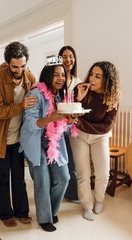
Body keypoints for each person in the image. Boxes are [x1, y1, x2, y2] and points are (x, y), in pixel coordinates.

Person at [19, 57, 79, 232]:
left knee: (64, 177)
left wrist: (69, 121)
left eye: (62, 75)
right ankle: (44, 218)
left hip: (53, 143)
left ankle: (50, 210)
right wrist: (50, 118)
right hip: (34, 142)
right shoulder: (35, 94)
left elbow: (63, 130)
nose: (60, 78)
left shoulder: (60, 96)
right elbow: (30, 124)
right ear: (47, 75)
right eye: (56, 75)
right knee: (42, 180)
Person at [0, 41, 37, 227]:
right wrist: (21, 105)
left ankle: (22, 211)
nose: (19, 70)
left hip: (19, 138)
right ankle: (6, 214)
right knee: (1, 178)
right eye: (15, 66)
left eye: (23, 66)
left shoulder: (30, 77)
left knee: (19, 177)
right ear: (7, 63)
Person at [70, 61, 121, 221]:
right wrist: (78, 99)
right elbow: (70, 115)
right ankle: (87, 205)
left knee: (103, 174)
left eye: (97, 76)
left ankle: (99, 200)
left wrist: (80, 122)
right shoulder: (80, 90)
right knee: (84, 174)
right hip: (79, 136)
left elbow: (105, 127)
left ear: (107, 80)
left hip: (100, 136)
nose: (91, 78)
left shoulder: (112, 98)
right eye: (91, 74)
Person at [58, 46, 82, 203]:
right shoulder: (57, 79)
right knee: (60, 159)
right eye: (64, 57)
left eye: (71, 56)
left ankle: (72, 193)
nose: (68, 60)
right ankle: (61, 190)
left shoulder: (78, 81)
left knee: (72, 160)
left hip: (72, 126)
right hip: (57, 126)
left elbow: (79, 103)